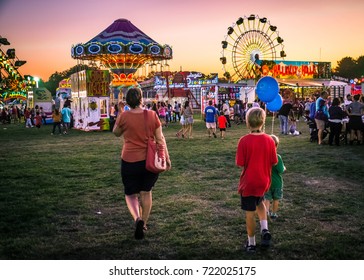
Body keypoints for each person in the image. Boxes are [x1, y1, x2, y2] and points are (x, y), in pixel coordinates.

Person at [113, 87, 171, 240]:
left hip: (129, 160)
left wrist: (120, 112)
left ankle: (137, 218)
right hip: (149, 161)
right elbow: (160, 138)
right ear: (141, 99)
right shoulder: (152, 115)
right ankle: (144, 223)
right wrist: (166, 157)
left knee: (130, 193)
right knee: (146, 192)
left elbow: (116, 133)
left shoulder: (124, 116)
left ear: (127, 101)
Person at [235, 107, 278, 253]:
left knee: (249, 213)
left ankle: (251, 243)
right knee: (260, 202)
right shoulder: (270, 140)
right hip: (264, 180)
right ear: (263, 121)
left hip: (249, 182)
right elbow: (274, 161)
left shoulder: (244, 141)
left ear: (247, 122)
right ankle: (265, 229)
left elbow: (240, 163)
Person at [264, 135, 286, 220]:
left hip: (266, 183)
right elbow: (281, 170)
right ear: (276, 146)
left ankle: (266, 213)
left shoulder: (263, 157)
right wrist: (284, 167)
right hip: (277, 183)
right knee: (276, 199)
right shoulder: (278, 157)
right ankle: (274, 214)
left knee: (267, 199)